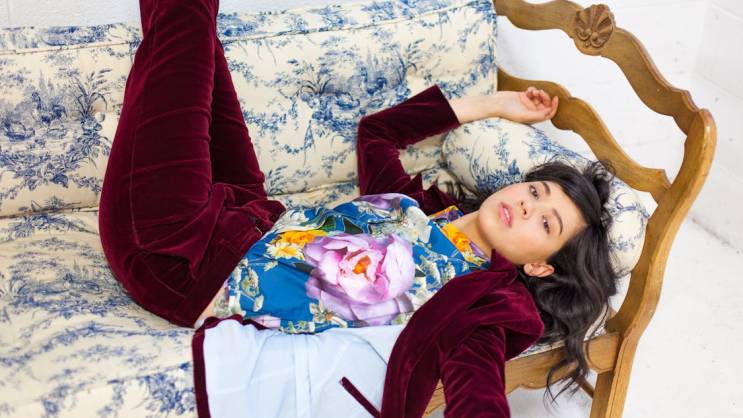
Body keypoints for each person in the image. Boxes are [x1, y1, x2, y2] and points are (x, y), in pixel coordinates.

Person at [98, 0, 619, 415]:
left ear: (540, 266)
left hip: (180, 253)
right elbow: (376, 134)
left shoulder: (479, 301)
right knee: (201, 40)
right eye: (535, 191)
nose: (526, 206)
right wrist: (495, 104)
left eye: (546, 222)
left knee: (183, 23)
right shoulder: (423, 209)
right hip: (244, 206)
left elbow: (476, 387)